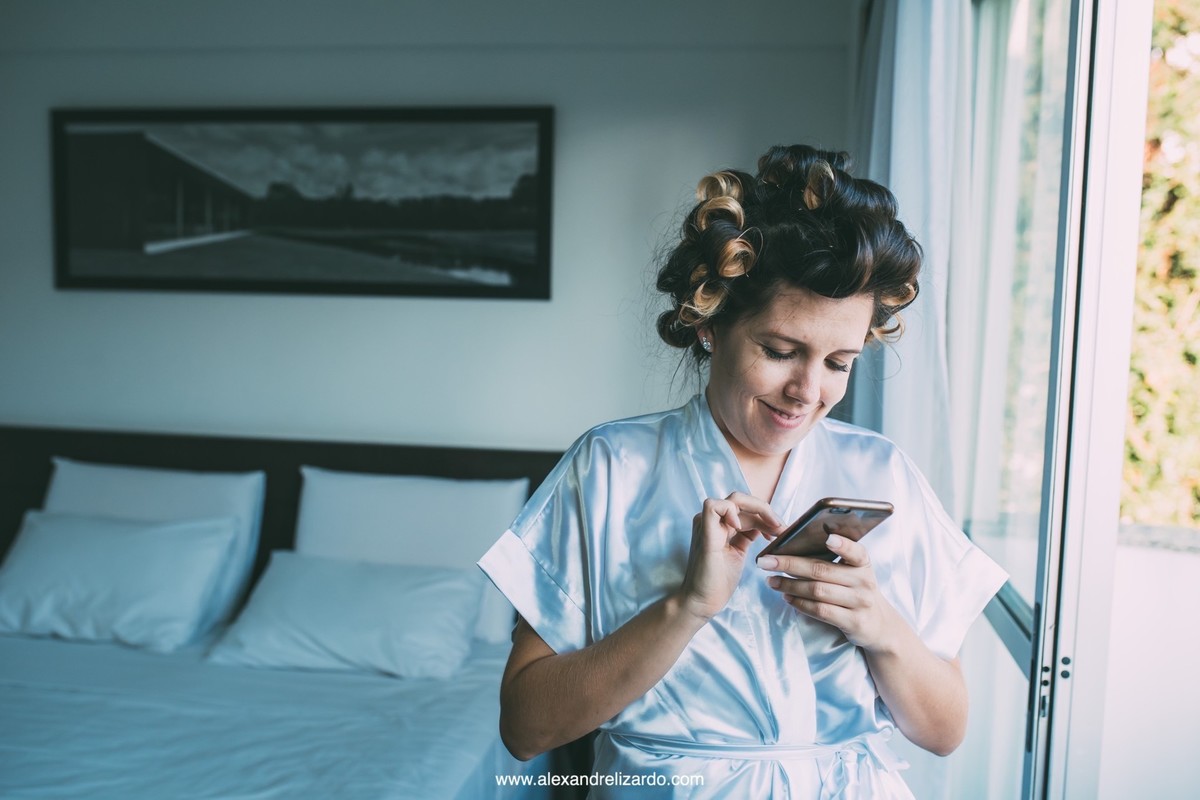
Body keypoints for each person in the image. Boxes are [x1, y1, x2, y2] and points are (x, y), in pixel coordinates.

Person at [479, 145, 1007, 798]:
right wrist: (685, 606)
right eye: (781, 351)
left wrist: (880, 625)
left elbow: (945, 731)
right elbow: (526, 729)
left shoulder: (885, 474)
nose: (808, 391)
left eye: (839, 362)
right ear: (710, 325)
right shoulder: (610, 468)